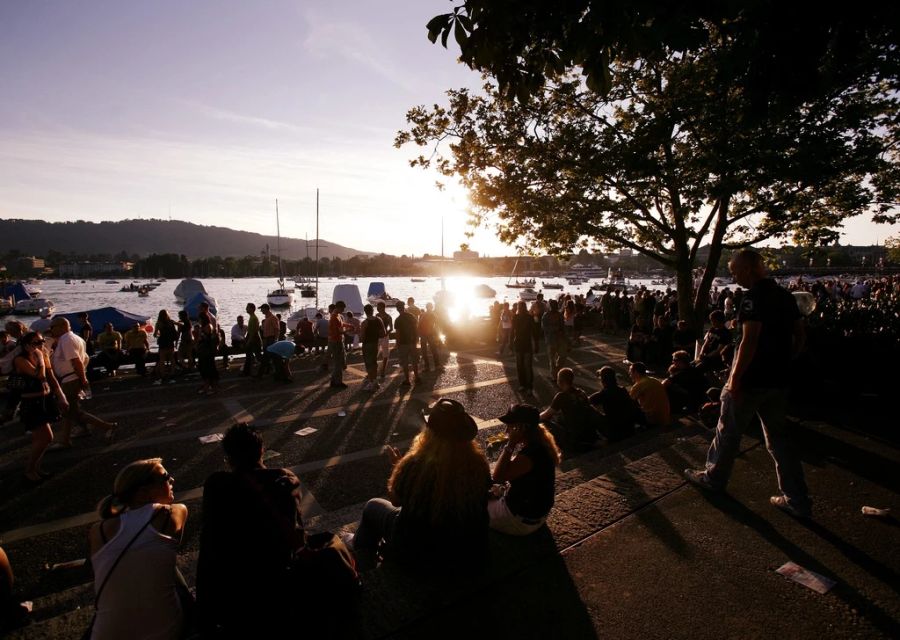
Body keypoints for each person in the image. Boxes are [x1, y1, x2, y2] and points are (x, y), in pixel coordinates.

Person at [685, 249, 812, 518]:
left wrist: (734, 379)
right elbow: (800, 336)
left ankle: (714, 478)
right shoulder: (785, 296)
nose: (733, 276)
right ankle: (797, 499)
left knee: (728, 432)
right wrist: (786, 361)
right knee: (779, 440)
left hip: (752, 380)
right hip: (779, 380)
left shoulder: (752, 299)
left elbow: (749, 341)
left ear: (747, 270)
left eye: (734, 271)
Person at [350, 398, 490, 572]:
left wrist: (397, 467)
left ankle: (364, 566)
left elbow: (396, 500)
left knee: (372, 507)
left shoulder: (416, 464)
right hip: (466, 549)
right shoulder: (478, 464)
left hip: (418, 550)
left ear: (430, 432)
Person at [197, 424, 305, 636]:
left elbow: (209, 544)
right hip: (278, 585)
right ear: (262, 450)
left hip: (235, 593)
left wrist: (204, 610)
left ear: (228, 457)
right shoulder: (283, 481)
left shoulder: (218, 486)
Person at [89, 458, 188, 640]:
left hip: (105, 634)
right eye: (165, 477)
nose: (172, 480)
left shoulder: (99, 531)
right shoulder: (174, 514)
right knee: (169, 568)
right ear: (143, 493)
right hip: (166, 631)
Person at [489, 404, 560, 535]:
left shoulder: (530, 455)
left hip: (520, 520)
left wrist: (510, 444)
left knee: (474, 504)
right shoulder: (542, 444)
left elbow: (497, 476)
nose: (506, 431)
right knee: (495, 491)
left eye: (510, 426)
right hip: (536, 515)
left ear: (521, 428)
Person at [49, 317, 117, 446]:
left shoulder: (66, 340)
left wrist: (83, 379)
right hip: (71, 378)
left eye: (53, 327)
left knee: (71, 411)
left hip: (70, 379)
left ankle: (107, 426)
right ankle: (78, 433)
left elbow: (77, 361)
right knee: (70, 411)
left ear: (62, 326)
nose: (51, 330)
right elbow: (84, 358)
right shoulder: (75, 338)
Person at [13, 332, 68, 484]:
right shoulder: (20, 360)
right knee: (47, 437)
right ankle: (29, 470)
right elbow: (39, 375)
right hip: (31, 403)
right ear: (26, 345)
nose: (41, 345)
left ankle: (35, 469)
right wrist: (41, 357)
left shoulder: (40, 355)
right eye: (36, 343)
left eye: (42, 341)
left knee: (40, 438)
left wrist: (60, 395)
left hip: (44, 400)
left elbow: (51, 377)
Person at [589, 366, 640, 443]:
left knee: (591, 410)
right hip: (629, 428)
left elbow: (589, 400)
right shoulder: (623, 390)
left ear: (603, 380)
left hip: (614, 431)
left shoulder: (604, 393)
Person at [627, 361, 671, 428]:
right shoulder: (655, 380)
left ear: (635, 372)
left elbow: (628, 402)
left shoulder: (638, 385)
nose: (630, 375)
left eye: (630, 373)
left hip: (652, 418)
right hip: (664, 416)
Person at [510, 301, 535, 394]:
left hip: (523, 344)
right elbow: (512, 331)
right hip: (521, 344)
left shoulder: (528, 318)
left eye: (520, 307)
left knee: (525, 366)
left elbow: (533, 331)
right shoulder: (517, 318)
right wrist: (510, 342)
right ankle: (524, 385)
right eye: (519, 307)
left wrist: (510, 343)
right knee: (522, 366)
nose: (520, 309)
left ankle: (527, 386)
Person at [360, 304, 386, 391]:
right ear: (373, 310)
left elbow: (362, 337)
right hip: (376, 343)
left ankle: (371, 382)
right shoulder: (379, 320)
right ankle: (375, 381)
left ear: (365, 312)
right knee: (374, 362)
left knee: (368, 363)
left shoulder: (364, 323)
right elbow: (383, 333)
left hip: (367, 344)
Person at [195, 303, 219, 395]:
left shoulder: (208, 325)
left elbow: (211, 336)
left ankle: (211, 387)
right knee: (205, 369)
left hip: (207, 351)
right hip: (204, 351)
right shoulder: (204, 327)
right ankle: (207, 386)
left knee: (209, 369)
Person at [394, 301, 419, 387]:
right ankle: (417, 377)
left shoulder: (398, 320)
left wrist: (397, 344)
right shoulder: (411, 316)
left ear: (397, 308)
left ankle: (407, 380)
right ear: (404, 306)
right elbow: (416, 329)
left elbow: (398, 334)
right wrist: (416, 339)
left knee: (405, 362)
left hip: (403, 344)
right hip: (412, 342)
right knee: (414, 361)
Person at [541, 299, 566, 378]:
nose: (555, 307)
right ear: (551, 306)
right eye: (554, 306)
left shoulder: (560, 315)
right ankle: (554, 375)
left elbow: (563, 327)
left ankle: (557, 369)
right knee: (552, 359)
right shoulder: (546, 315)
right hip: (550, 340)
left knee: (562, 356)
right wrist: (555, 328)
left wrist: (566, 338)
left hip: (559, 339)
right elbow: (544, 327)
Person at [153, 310, 178, 385]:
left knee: (162, 360)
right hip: (170, 342)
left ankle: (163, 376)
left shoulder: (158, 323)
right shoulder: (171, 322)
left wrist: (158, 335)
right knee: (172, 359)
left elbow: (155, 334)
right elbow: (176, 330)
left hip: (162, 342)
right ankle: (172, 375)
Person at [327, 301, 349, 388]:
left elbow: (341, 324)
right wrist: (347, 331)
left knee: (338, 362)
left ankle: (333, 381)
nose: (343, 310)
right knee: (338, 363)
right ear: (339, 307)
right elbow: (339, 331)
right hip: (336, 341)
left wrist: (349, 325)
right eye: (342, 308)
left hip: (337, 341)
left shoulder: (337, 315)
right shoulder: (334, 317)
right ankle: (338, 382)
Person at [417, 302, 441, 371]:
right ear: (431, 307)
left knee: (425, 351)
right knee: (433, 350)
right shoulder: (432, 315)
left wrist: (419, 334)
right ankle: (437, 365)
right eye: (431, 307)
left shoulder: (423, 314)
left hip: (424, 335)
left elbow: (419, 325)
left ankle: (427, 367)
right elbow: (436, 326)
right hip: (429, 335)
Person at [258, 303, 279, 377]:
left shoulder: (272, 318)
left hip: (271, 339)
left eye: (262, 309)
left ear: (266, 309)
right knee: (271, 357)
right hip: (267, 339)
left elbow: (276, 329)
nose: (261, 311)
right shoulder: (267, 318)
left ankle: (260, 374)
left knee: (266, 357)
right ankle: (271, 371)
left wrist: (275, 339)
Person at [241, 303, 261, 376]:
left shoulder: (254, 318)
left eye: (247, 307)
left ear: (252, 309)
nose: (246, 309)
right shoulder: (252, 317)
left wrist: (249, 341)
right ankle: (246, 372)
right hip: (252, 338)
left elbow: (253, 331)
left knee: (256, 356)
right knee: (250, 356)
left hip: (253, 339)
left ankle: (267, 368)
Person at [375, 301, 393, 381]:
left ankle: (383, 371)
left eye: (378, 307)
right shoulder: (377, 315)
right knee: (375, 353)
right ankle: (374, 370)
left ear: (382, 307)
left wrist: (386, 334)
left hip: (385, 337)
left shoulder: (388, 317)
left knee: (385, 354)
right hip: (377, 337)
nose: (377, 308)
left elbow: (391, 328)